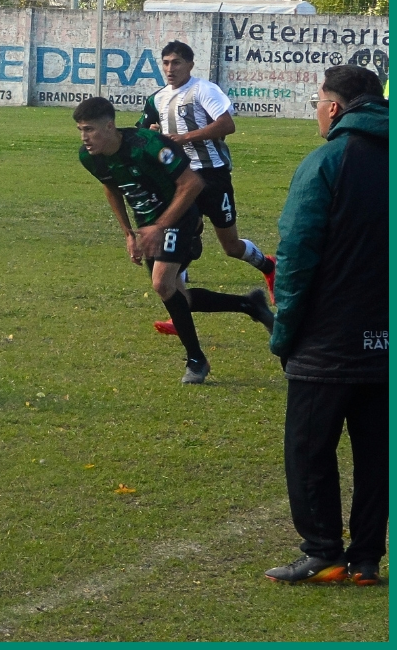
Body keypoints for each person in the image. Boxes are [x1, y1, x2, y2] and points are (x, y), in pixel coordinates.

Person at [264, 65, 388, 585]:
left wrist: (284, 332)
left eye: (319, 99)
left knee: (309, 448)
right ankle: (365, 559)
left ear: (335, 107)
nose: (317, 108)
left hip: (327, 341)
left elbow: (294, 257)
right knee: (378, 453)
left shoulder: (326, 162)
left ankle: (323, 551)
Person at [74, 96, 274, 384]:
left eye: (89, 129)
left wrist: (161, 226)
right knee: (177, 296)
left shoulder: (148, 145)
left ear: (109, 126)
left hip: (178, 216)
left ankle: (197, 360)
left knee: (161, 284)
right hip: (148, 226)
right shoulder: (89, 157)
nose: (85, 137)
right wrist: (129, 234)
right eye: (81, 130)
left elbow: (192, 184)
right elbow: (111, 188)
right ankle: (250, 305)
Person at [139, 41, 276, 336]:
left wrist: (184, 137)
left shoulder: (204, 90)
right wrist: (149, 135)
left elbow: (227, 125)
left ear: (190, 64)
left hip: (213, 177)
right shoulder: (157, 99)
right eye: (165, 63)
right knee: (180, 241)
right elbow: (142, 131)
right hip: (180, 180)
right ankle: (179, 309)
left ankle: (267, 265)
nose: (169, 69)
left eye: (176, 62)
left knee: (231, 246)